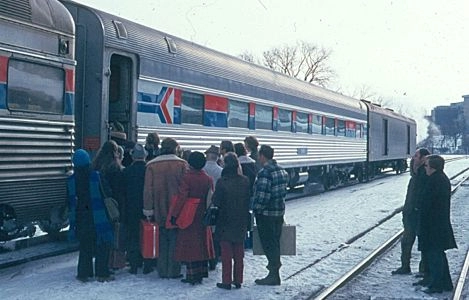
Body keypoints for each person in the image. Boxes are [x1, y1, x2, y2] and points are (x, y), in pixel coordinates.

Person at [143, 137, 188, 278]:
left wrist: (148, 209)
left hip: (159, 208)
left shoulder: (151, 165)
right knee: (175, 239)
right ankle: (174, 270)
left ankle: (162, 269)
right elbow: (185, 188)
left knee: (161, 238)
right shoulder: (182, 164)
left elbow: (148, 190)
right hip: (177, 209)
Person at [68, 149, 114, 283]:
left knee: (85, 246)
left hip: (81, 217)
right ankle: (102, 273)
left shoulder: (70, 180)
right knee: (102, 245)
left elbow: (69, 200)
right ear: (88, 161)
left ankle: (84, 273)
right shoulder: (96, 176)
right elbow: (107, 192)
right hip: (98, 216)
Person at [171, 151, 215, 285]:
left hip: (188, 214)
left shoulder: (187, 178)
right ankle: (201, 272)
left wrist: (174, 214)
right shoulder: (208, 178)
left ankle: (191, 274)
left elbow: (181, 197)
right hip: (202, 214)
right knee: (201, 243)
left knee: (189, 245)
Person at [417, 155, 457, 294]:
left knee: (435, 256)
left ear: (433, 167)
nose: (425, 168)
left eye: (426, 166)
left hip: (434, 225)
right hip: (435, 224)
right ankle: (445, 283)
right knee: (436, 254)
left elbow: (428, 203)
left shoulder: (436, 181)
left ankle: (437, 285)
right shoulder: (438, 178)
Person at [212, 153, 251, 290]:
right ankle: (238, 280)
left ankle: (226, 281)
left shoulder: (222, 182)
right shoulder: (245, 181)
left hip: (225, 220)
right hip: (240, 220)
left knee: (226, 253)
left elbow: (216, 201)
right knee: (239, 253)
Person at [251, 145, 289, 286]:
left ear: (262, 156)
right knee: (275, 242)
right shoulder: (282, 171)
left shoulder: (265, 173)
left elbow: (262, 196)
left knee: (268, 244)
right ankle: (274, 273)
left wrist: (256, 209)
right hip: (279, 212)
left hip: (266, 214)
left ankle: (273, 274)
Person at [392, 148, 430, 275]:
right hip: (410, 213)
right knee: (407, 241)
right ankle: (405, 266)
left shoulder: (425, 173)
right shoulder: (416, 173)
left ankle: (423, 269)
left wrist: (416, 208)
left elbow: (422, 195)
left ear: (424, 158)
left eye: (416, 156)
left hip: (418, 213)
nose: (413, 158)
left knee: (423, 242)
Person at [92, 140, 127, 270]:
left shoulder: (95, 166)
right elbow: (118, 191)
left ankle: (101, 264)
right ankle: (107, 266)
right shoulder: (115, 168)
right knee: (110, 236)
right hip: (111, 206)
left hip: (97, 205)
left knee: (100, 236)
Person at [123, 143, 153, 274]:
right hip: (147, 207)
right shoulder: (149, 171)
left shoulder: (126, 171)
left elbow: (122, 191)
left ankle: (134, 265)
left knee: (133, 236)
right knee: (148, 236)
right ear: (145, 156)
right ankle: (148, 264)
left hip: (131, 209)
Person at [202, 145, 223, 270]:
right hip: (215, 206)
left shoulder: (202, 169)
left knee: (203, 233)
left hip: (201, 205)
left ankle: (204, 257)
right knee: (214, 234)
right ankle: (213, 259)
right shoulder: (220, 171)